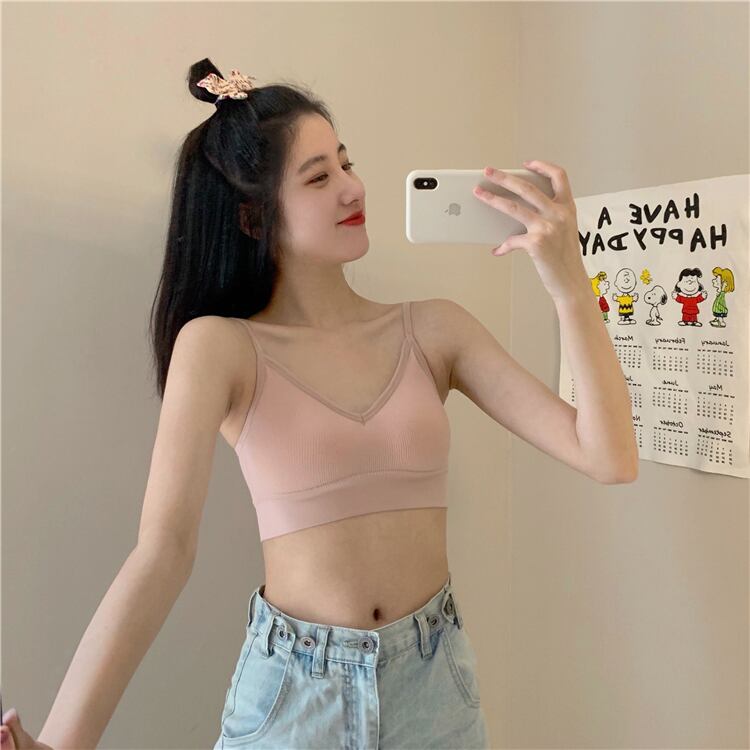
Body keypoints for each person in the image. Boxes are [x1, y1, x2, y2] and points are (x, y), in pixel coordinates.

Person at [1, 58, 489, 749]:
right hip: (296, 698)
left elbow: (605, 452)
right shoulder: (220, 347)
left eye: (346, 163)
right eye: (318, 177)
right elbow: (162, 551)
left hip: (435, 690)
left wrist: (561, 264)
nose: (352, 187)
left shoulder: (433, 329)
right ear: (253, 217)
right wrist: (59, 743)